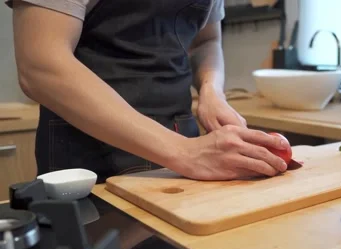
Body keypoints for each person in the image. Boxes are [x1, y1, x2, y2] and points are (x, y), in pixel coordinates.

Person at [7, 0, 290, 183]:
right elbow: (39, 64)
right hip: (89, 152)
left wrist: (211, 90)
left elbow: (207, 40)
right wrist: (185, 153)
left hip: (183, 144)